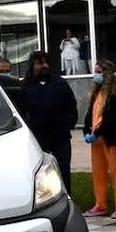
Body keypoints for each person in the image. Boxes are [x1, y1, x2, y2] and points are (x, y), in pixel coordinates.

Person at [20, 51, 79, 197]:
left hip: (60, 137)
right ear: (32, 65)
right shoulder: (25, 86)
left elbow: (71, 105)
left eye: (46, 62)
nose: (44, 66)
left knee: (63, 171)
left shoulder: (59, 83)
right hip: (38, 139)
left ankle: (67, 199)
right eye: (40, 63)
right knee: (41, 173)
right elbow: (21, 110)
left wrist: (68, 122)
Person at [82, 60, 116, 218]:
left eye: (99, 72)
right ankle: (100, 204)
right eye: (95, 72)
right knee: (98, 173)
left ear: (107, 74)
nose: (96, 75)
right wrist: (86, 132)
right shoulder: (96, 93)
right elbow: (90, 115)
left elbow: (113, 118)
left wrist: (98, 132)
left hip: (110, 138)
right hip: (95, 140)